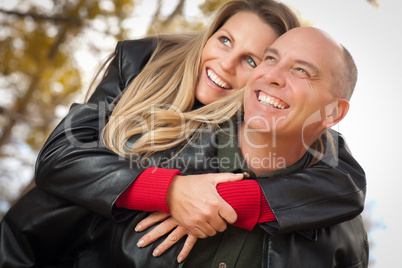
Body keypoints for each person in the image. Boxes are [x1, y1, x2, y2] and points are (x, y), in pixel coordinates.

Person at [0, 26, 368, 268]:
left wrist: (237, 200)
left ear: (333, 112)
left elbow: (347, 182)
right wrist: (168, 189)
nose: (271, 74)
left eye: (301, 71)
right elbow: (23, 238)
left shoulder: (342, 231)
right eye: (270, 59)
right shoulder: (149, 144)